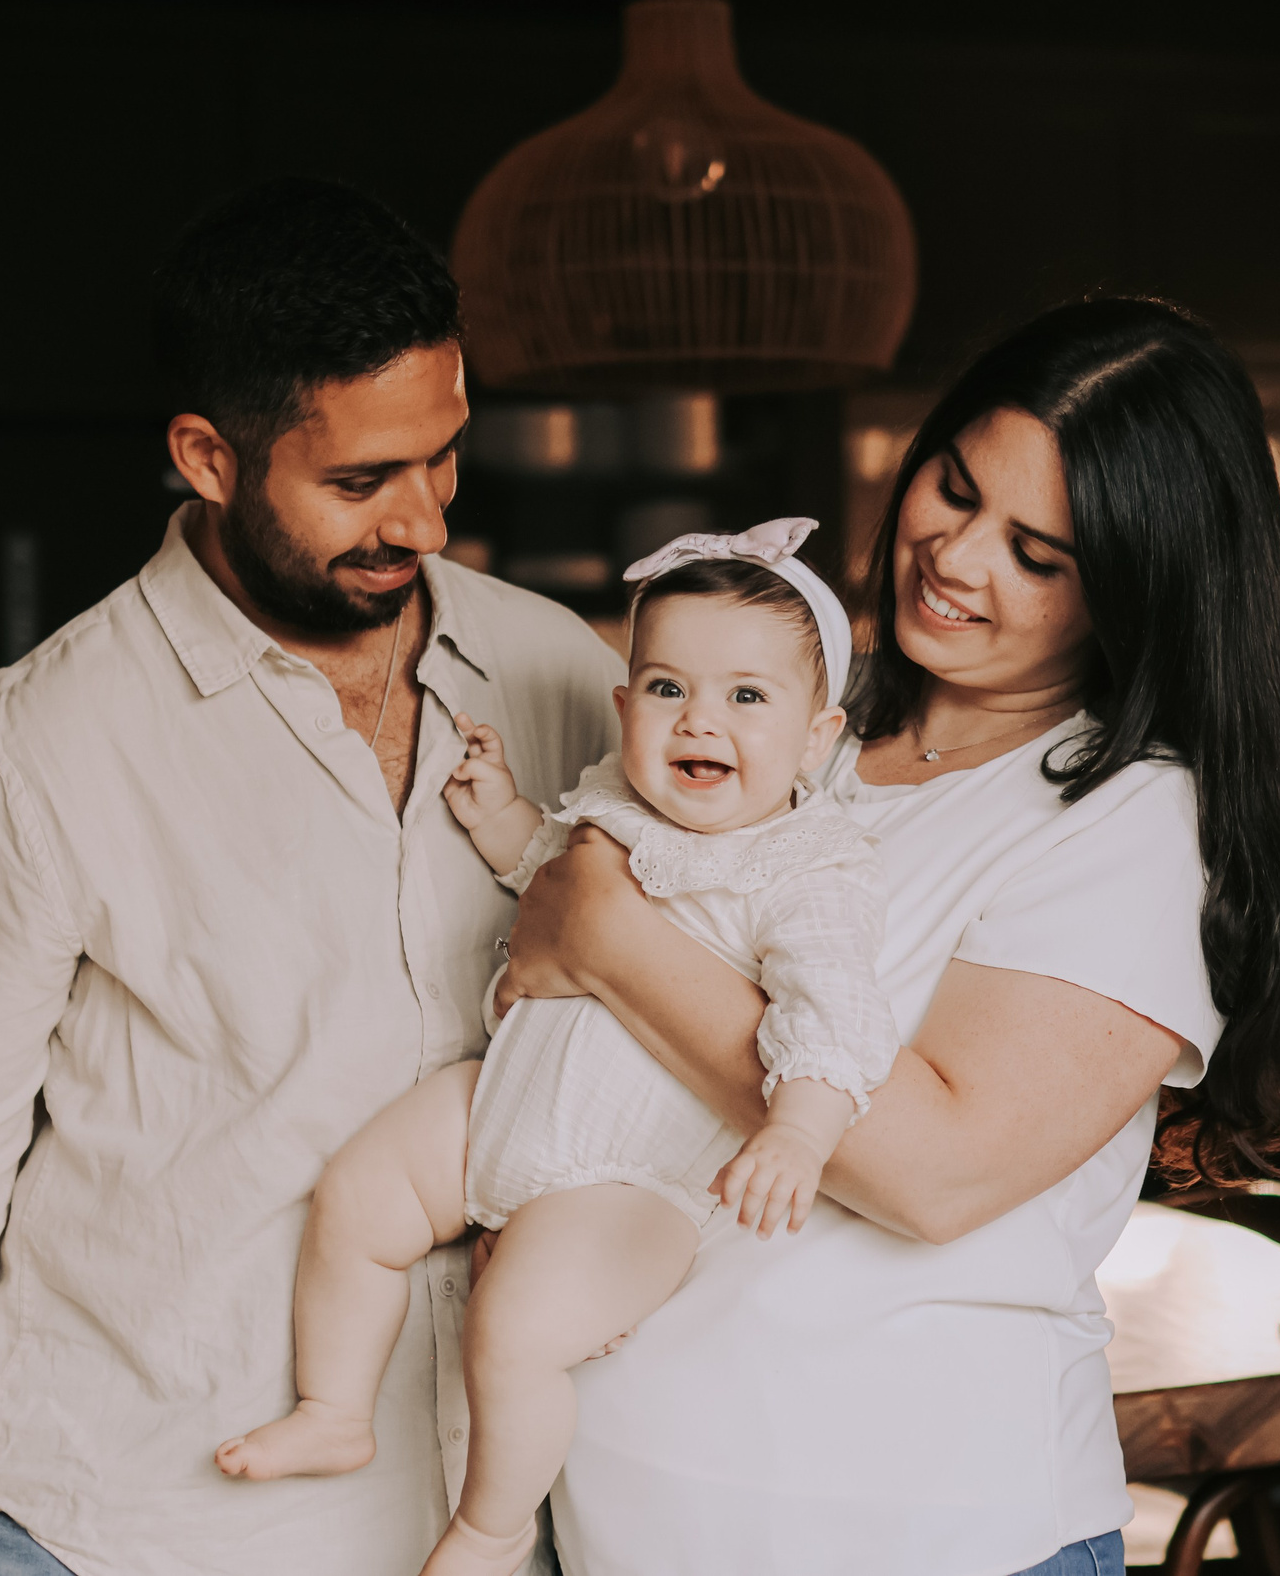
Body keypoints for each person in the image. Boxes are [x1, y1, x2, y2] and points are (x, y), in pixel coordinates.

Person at [498, 297, 1280, 1576]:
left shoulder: (1129, 814)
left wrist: (605, 937)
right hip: (631, 1528)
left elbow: (935, 1169)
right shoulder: (798, 728)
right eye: (955, 489)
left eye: (1038, 553)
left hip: (927, 1537)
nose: (956, 559)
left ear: (1134, 588)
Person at [0, 177, 619, 1576]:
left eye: (443, 455)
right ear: (206, 454)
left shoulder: (568, 673)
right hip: (140, 1525)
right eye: (361, 481)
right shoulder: (24, 760)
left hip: (500, 1524)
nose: (425, 519)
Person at [217, 520, 891, 1576]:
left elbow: (834, 1018)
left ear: (817, 737)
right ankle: (334, 1406)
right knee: (356, 1194)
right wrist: (503, 820)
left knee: (512, 1328)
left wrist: (798, 1136)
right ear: (624, 708)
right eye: (667, 689)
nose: (698, 721)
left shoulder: (803, 872)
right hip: (504, 1106)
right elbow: (550, 875)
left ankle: (490, 1531)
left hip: (632, 1182)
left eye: (747, 698)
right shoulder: (615, 805)